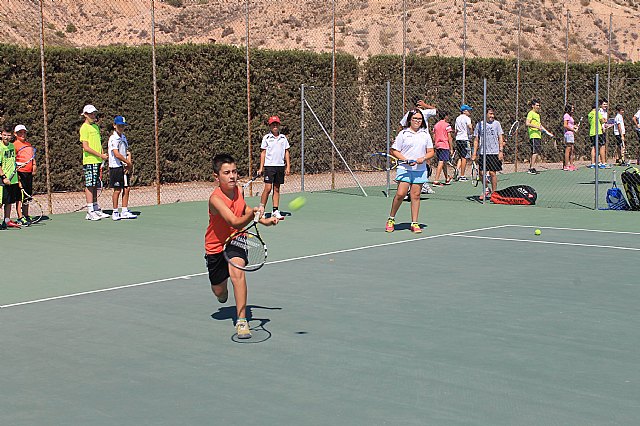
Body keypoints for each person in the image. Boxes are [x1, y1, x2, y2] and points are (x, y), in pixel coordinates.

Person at [205, 153, 279, 339]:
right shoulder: (215, 199)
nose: (232, 176)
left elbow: (244, 210)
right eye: (227, 172)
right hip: (215, 246)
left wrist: (265, 220)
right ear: (217, 177)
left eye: (235, 172)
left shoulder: (238, 190)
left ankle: (242, 320)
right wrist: (254, 213)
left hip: (236, 239)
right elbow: (235, 220)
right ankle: (223, 293)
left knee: (237, 271)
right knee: (219, 291)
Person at [385, 109, 435, 234]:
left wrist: (422, 158)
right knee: (401, 194)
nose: (417, 121)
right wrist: (406, 160)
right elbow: (394, 151)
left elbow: (431, 151)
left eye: (419, 119)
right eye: (415, 119)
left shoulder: (425, 135)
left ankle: (414, 223)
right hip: (404, 169)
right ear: (410, 120)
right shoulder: (403, 134)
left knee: (416, 195)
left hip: (420, 169)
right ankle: (391, 219)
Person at [400, 97, 437, 194]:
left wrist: (425, 105)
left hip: (424, 141)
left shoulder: (424, 112)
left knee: (426, 161)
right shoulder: (410, 113)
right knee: (410, 162)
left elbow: (435, 110)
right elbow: (402, 125)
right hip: (412, 141)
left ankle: (424, 184)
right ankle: (408, 187)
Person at [80, 104, 109, 220]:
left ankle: (96, 208)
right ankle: (90, 211)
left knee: (95, 185)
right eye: (90, 114)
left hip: (97, 161)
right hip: (89, 161)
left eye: (94, 113)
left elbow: (98, 144)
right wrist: (100, 155)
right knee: (89, 185)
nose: (93, 115)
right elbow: (86, 147)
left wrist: (102, 155)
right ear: (85, 115)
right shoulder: (84, 128)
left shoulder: (96, 127)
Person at [258, 116, 290, 220]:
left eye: (276, 124)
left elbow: (286, 152)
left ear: (279, 125)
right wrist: (261, 168)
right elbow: (263, 153)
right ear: (270, 126)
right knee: (268, 188)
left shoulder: (283, 138)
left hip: (280, 166)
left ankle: (275, 210)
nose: (275, 126)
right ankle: (261, 210)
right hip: (269, 166)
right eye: (273, 124)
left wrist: (288, 166)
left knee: (277, 188)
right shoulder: (266, 138)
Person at [472, 106, 505, 200]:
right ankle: (486, 189)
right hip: (483, 152)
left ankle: (494, 194)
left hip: (494, 152)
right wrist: (474, 153)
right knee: (481, 173)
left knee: (492, 173)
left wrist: (500, 151)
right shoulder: (479, 125)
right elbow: (476, 139)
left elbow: (500, 137)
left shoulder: (497, 124)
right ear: (485, 114)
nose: (492, 116)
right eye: (490, 114)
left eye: (493, 114)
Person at [108, 116, 137, 221]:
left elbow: (127, 152)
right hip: (115, 167)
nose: (121, 128)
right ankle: (115, 212)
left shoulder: (123, 137)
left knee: (127, 188)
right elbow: (116, 154)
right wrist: (127, 162)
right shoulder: (113, 138)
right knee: (117, 190)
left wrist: (129, 163)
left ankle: (124, 211)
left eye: (123, 126)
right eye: (119, 126)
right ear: (114, 126)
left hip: (124, 167)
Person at [13, 124, 37, 225]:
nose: (22, 134)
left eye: (24, 132)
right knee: (20, 196)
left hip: (28, 174)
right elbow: (13, 161)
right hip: (20, 173)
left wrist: (34, 166)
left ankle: (26, 215)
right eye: (20, 133)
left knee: (27, 196)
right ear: (15, 134)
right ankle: (20, 217)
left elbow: (32, 158)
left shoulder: (29, 145)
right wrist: (17, 177)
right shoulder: (14, 145)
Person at [0, 124, 22, 229]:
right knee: (0, 201)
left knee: (9, 201)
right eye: (4, 135)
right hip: (3, 179)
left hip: (12, 178)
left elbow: (13, 161)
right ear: (1, 135)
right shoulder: (0, 147)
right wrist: (4, 177)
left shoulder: (12, 146)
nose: (6, 137)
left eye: (8, 135)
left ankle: (7, 221)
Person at [526, 99, 553, 175]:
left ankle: (531, 167)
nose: (538, 107)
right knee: (535, 152)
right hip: (533, 135)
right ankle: (531, 168)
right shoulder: (531, 113)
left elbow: (540, 126)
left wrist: (548, 133)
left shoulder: (537, 115)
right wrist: (536, 127)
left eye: (539, 105)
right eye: (537, 105)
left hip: (538, 135)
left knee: (535, 152)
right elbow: (527, 123)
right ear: (533, 106)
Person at [431, 111, 453, 186]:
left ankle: (447, 178)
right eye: (448, 116)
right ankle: (436, 180)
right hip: (445, 145)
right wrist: (451, 148)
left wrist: (435, 143)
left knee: (444, 162)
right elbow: (449, 137)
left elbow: (434, 136)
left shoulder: (436, 125)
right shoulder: (447, 125)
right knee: (441, 162)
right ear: (445, 116)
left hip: (438, 145)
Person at [454, 104, 473, 181]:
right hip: (465, 139)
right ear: (464, 111)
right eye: (468, 110)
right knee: (464, 157)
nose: (470, 111)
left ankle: (457, 170)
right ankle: (462, 176)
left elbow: (455, 130)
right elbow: (470, 126)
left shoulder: (457, 118)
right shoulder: (467, 118)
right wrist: (471, 134)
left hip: (458, 139)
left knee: (460, 157)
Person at [588, 99, 608, 169]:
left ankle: (593, 163)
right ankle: (603, 163)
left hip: (592, 133)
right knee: (602, 147)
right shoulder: (598, 113)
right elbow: (602, 121)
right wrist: (605, 120)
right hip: (599, 132)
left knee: (593, 147)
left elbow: (590, 122)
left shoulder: (589, 114)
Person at [562, 105, 578, 171]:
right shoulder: (566, 115)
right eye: (572, 107)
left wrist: (574, 127)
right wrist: (572, 129)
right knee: (568, 149)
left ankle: (571, 165)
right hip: (568, 134)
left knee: (572, 149)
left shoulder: (570, 116)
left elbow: (570, 124)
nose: (573, 108)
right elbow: (565, 125)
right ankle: (566, 165)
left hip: (571, 133)